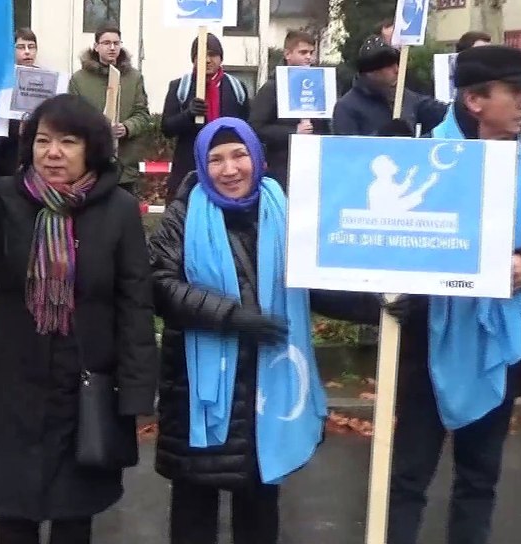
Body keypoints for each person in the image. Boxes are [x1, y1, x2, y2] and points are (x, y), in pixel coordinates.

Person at [0, 94, 157, 544]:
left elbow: (135, 303)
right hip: (11, 376)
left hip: (86, 379)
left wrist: (135, 392)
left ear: (91, 148)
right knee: (13, 510)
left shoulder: (116, 211)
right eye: (43, 141)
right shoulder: (5, 198)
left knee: (75, 512)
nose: (52, 153)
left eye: (67, 142)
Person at [150, 117, 380, 544]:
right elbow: (159, 285)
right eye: (216, 159)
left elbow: (313, 280)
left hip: (266, 387)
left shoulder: (284, 210)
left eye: (239, 155)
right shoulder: (184, 212)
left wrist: (376, 304)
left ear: (256, 157)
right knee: (193, 511)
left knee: (258, 510)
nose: (229, 169)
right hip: (200, 396)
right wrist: (230, 317)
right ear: (202, 165)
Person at [385, 45, 521, 544]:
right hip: (428, 340)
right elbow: (393, 244)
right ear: (474, 101)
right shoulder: (425, 159)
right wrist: (401, 294)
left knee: (479, 477)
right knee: (405, 477)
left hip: (501, 341)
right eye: (513, 93)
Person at [160, 33, 249, 200]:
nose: (207, 60)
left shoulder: (236, 88)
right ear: (193, 59)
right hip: (189, 168)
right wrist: (188, 115)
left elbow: (247, 129)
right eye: (201, 55)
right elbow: (167, 128)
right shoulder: (180, 87)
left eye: (213, 54)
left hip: (227, 171)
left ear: (221, 58)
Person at [69, 25, 151, 195]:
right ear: (96, 46)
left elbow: (142, 114)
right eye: (106, 43)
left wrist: (127, 127)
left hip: (124, 167)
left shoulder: (134, 78)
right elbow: (72, 118)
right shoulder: (79, 79)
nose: (112, 47)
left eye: (116, 43)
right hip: (90, 166)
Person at [248, 30, 324, 189]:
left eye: (311, 52)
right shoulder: (272, 88)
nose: (309, 57)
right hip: (281, 167)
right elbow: (256, 127)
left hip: (311, 164)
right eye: (303, 52)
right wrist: (293, 131)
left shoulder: (318, 86)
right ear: (288, 54)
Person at [333, 37, 447, 136]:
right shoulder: (346, 107)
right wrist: (383, 137)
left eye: (397, 64)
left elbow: (440, 112)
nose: (397, 70)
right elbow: (346, 153)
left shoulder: (407, 98)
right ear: (371, 71)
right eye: (389, 66)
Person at [0, 28, 43, 182]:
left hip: (28, 152)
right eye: (21, 47)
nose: (27, 52)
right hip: (0, 152)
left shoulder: (41, 80)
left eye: (31, 47)